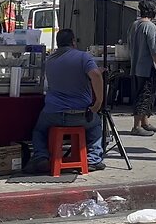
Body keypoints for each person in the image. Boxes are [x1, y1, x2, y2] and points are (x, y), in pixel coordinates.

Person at [29, 29, 105, 173]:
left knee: (39, 131)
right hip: (80, 114)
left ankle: (41, 157)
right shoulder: (83, 57)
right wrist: (98, 103)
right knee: (96, 125)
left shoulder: (50, 60)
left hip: (53, 114)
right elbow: (95, 75)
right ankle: (93, 159)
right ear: (73, 42)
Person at [128, 0, 156, 137]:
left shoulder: (134, 25)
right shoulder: (150, 27)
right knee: (144, 96)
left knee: (142, 95)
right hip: (146, 68)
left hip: (135, 66)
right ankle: (137, 126)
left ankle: (145, 122)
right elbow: (155, 51)